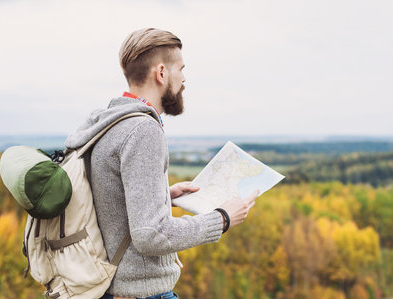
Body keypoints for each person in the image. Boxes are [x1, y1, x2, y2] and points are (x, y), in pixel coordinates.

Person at [64, 28, 259, 299]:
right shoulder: (143, 130)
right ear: (161, 73)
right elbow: (150, 235)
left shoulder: (108, 122)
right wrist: (222, 218)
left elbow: (105, 200)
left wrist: (162, 196)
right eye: (180, 68)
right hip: (139, 292)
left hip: (107, 288)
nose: (184, 78)